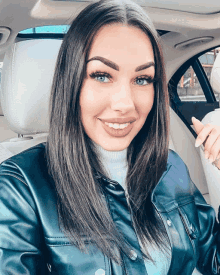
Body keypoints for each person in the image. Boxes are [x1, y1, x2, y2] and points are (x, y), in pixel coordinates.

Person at [0, 0, 220, 274]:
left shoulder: (171, 167)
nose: (125, 103)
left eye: (142, 79)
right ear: (72, 82)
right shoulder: (19, 187)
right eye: (102, 75)